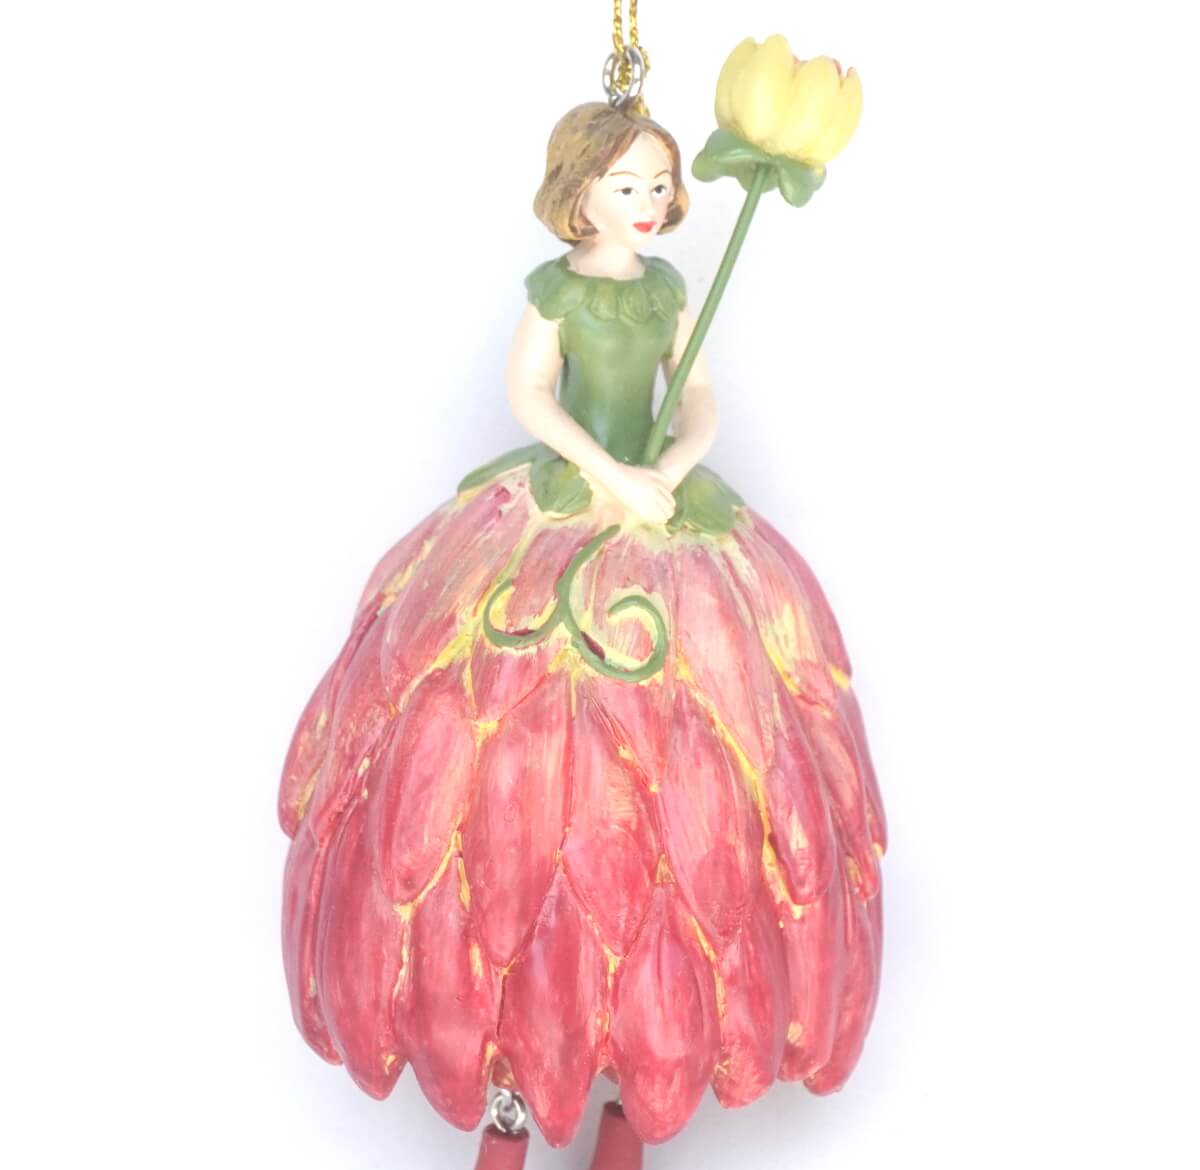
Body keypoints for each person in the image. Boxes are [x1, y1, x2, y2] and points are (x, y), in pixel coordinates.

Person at [278, 100, 885, 1164]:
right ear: (578, 193)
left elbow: (697, 401)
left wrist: (672, 471)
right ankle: (513, 1081)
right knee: (510, 767)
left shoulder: (670, 291)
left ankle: (634, 1087)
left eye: (659, 185)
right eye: (625, 186)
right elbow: (532, 397)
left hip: (661, 510)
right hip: (563, 505)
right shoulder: (555, 291)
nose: (647, 203)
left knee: (692, 775)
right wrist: (609, 473)